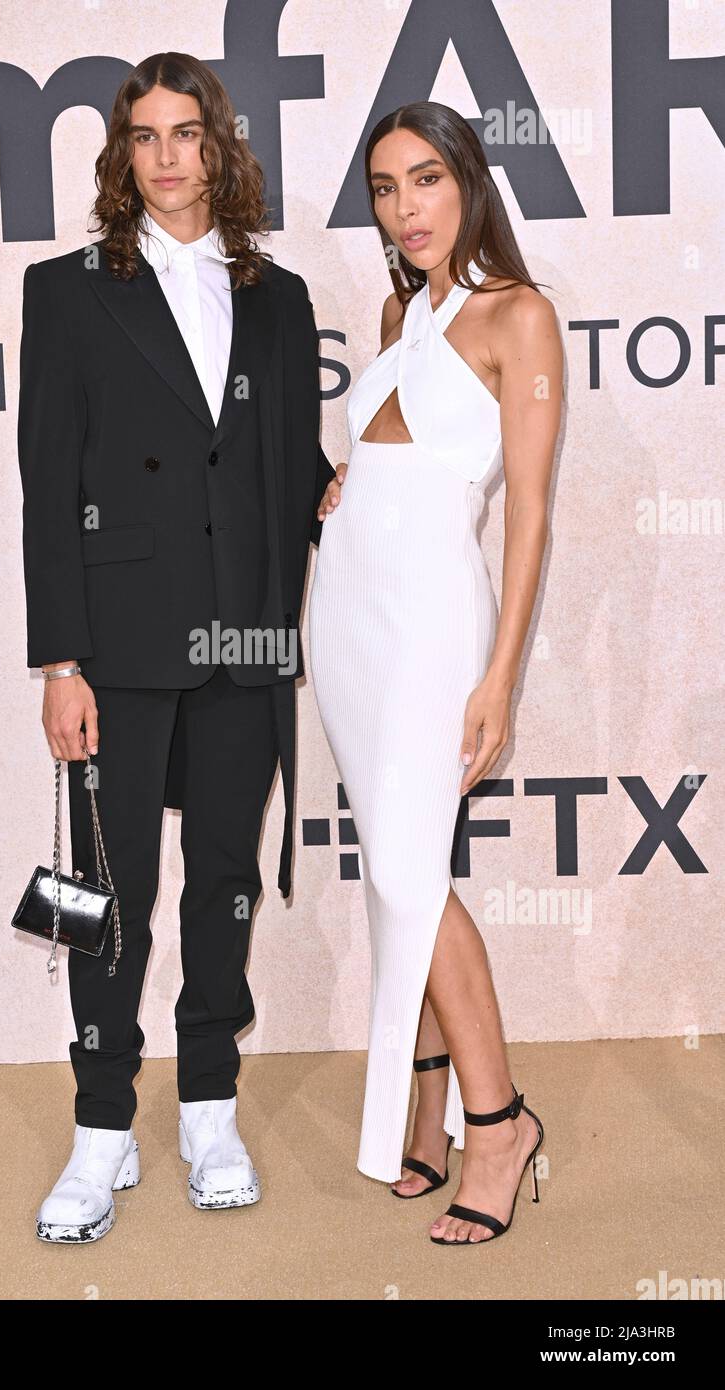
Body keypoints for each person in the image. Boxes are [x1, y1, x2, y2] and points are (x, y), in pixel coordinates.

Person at [16, 52, 334, 1243]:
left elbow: (278, 463)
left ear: (219, 146)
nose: (165, 157)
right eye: (143, 136)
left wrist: (341, 489)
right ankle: (101, 1126)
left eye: (185, 133)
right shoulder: (66, 290)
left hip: (243, 639)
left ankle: (208, 1107)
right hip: (121, 646)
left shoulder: (279, 294)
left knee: (224, 886)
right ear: (121, 155)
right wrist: (61, 660)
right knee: (109, 898)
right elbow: (48, 486)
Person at [309, 101, 562, 1245]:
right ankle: (421, 1093)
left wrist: (499, 674)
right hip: (347, 620)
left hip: (430, 629)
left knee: (413, 873)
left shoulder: (521, 315)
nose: (402, 208)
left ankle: (496, 1121)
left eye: (423, 180)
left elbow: (528, 515)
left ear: (465, 181)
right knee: (390, 868)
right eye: (381, 189)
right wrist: (344, 486)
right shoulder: (395, 310)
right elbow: (387, 453)